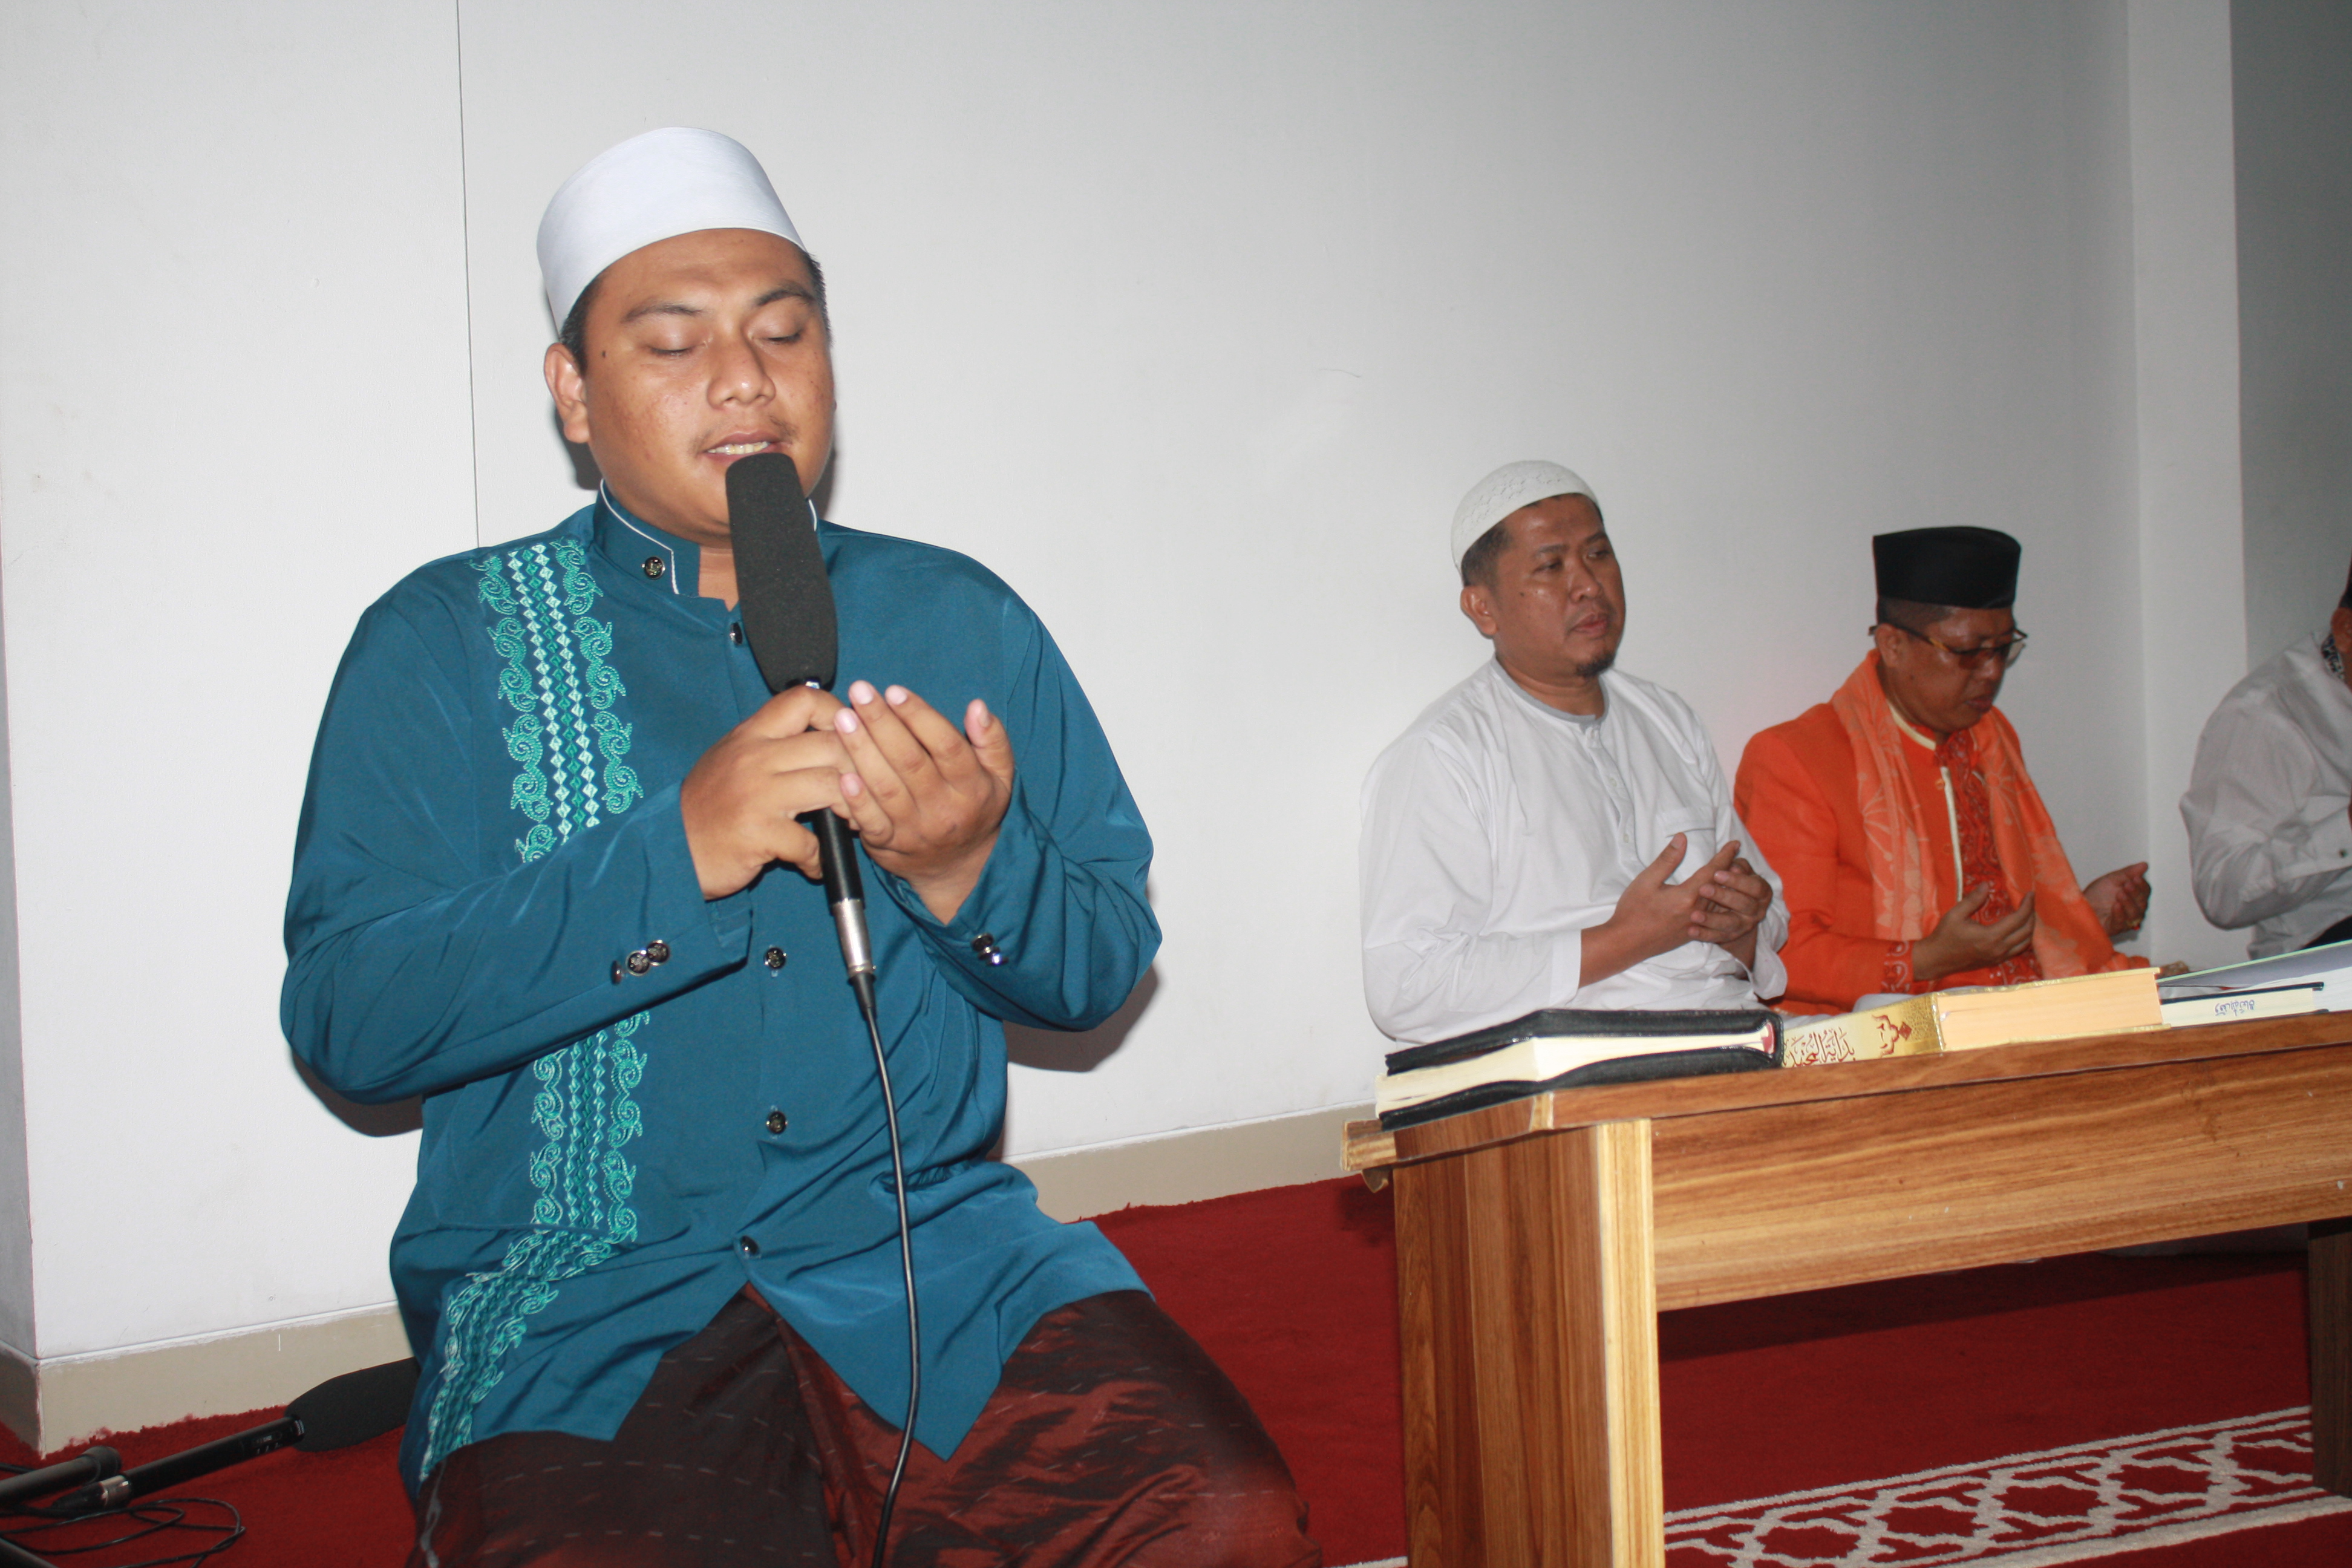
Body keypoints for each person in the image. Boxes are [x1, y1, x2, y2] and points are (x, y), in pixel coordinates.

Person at [282, 128, 1315, 1567]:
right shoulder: (442, 643)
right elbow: (351, 1021)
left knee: (1218, 1523)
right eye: (674, 342)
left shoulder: (959, 617)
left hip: (936, 1261)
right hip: (591, 1306)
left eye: (783, 332)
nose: (745, 379)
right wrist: (676, 853)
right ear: (572, 392)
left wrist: (966, 869)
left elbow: (1098, 969)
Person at [1359, 461, 1787, 1045]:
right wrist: (1625, 940)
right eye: (1551, 565)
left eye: (1599, 554)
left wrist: (1741, 927)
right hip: (1587, 1061)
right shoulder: (1444, 755)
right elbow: (1406, 987)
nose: (1588, 585)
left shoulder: (1667, 720)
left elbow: (1773, 917)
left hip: (1735, 1032)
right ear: (1483, 608)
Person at [1733, 526, 2149, 1015]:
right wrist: (1925, 959)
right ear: (1893, 645)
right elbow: (1776, 954)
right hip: (1879, 1041)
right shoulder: (1797, 758)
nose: (1993, 672)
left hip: (2009, 1025)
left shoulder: (1992, 739)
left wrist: (2082, 916)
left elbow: (1995, 927)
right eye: (1969, 652)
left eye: (2003, 648)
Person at [2181, 557, 2352, 956]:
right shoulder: (2266, 717)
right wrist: (2347, 828)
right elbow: (2222, 893)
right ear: (2346, 630)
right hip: (2326, 951)